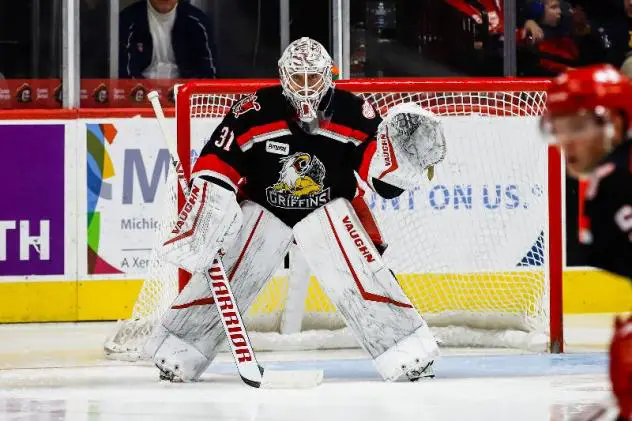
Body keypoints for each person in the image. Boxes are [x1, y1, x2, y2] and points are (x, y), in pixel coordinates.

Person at [144, 37, 445, 384]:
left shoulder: (352, 111)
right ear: (283, 76)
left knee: (358, 275)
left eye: (312, 78)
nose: (304, 88)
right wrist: (209, 206)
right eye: (297, 78)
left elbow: (378, 178)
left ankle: (406, 349)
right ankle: (180, 348)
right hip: (264, 210)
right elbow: (219, 159)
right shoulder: (255, 109)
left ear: (328, 76)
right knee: (232, 272)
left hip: (329, 210)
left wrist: (402, 167)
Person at [543, 64, 632, 420]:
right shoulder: (610, 178)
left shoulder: (617, 180)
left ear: (614, 123)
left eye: (577, 127)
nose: (567, 142)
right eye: (560, 129)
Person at [119, 0, 217, 79]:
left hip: (183, 94)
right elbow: (124, 72)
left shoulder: (198, 22)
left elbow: (210, 72)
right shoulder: (128, 20)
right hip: (141, 94)